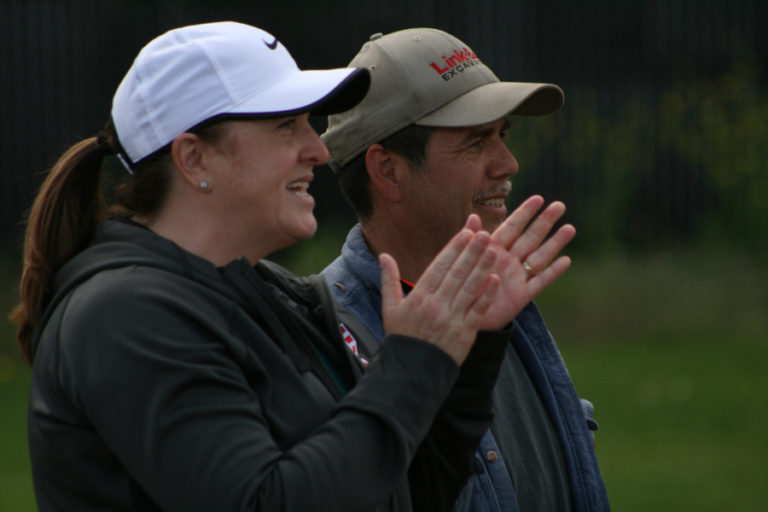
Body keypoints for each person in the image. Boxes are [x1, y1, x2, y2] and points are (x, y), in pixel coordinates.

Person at [9, 22, 574, 512]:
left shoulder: (271, 296)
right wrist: (410, 364)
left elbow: (397, 497)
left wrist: (472, 345)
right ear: (193, 157)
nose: (320, 150)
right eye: (286, 126)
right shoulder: (125, 317)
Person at [321, 28, 611, 511]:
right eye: (476, 142)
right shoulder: (329, 341)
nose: (508, 163)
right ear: (388, 170)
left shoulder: (497, 301)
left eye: (502, 135)